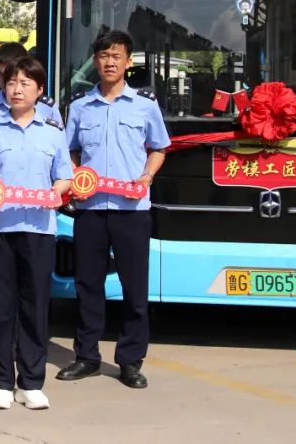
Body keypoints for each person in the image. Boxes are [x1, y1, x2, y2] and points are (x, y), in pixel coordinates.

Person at [59, 29, 170, 390]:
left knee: (134, 288)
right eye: (104, 56)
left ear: (128, 61)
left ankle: (131, 360)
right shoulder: (80, 106)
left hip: (132, 209)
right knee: (87, 285)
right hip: (90, 209)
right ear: (95, 61)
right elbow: (69, 150)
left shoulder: (144, 105)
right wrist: (75, 175)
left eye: (116, 56)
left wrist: (147, 175)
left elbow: (159, 147)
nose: (109, 62)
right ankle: (87, 357)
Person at [0, 56, 73, 410]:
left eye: (26, 83)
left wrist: (57, 191)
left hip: (38, 229)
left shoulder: (53, 133)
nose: (17, 89)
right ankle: (0, 382)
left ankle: (30, 382)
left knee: (34, 305)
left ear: (40, 90)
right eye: (11, 82)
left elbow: (65, 176)